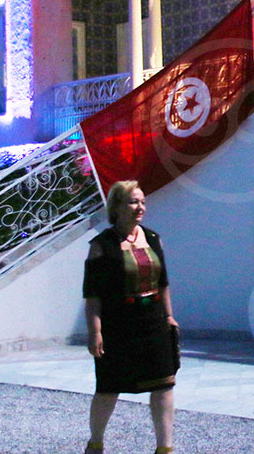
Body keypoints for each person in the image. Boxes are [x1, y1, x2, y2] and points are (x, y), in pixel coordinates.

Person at [83, 181, 179, 454]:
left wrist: (170, 317)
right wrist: (96, 331)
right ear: (117, 206)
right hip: (118, 325)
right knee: (109, 388)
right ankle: (96, 442)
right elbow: (92, 294)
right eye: (133, 202)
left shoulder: (152, 239)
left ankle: (165, 448)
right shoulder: (101, 245)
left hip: (153, 321)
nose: (140, 208)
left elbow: (163, 283)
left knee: (164, 384)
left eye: (143, 202)